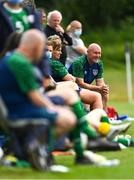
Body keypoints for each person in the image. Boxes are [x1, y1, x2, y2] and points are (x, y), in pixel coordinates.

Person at [0, 29, 77, 170]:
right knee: (68, 118)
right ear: (35, 47)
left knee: (64, 107)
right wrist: (53, 108)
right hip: (20, 113)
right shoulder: (21, 64)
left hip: (17, 108)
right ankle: (35, 148)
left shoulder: (10, 58)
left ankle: (35, 149)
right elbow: (35, 96)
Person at [69, 43, 109, 111]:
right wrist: (99, 88)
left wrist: (104, 88)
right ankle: (89, 115)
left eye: (99, 53)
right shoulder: (79, 62)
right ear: (88, 52)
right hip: (73, 88)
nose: (98, 55)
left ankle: (104, 115)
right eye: (95, 53)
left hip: (86, 87)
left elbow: (100, 83)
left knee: (105, 93)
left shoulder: (99, 64)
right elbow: (80, 84)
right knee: (87, 105)